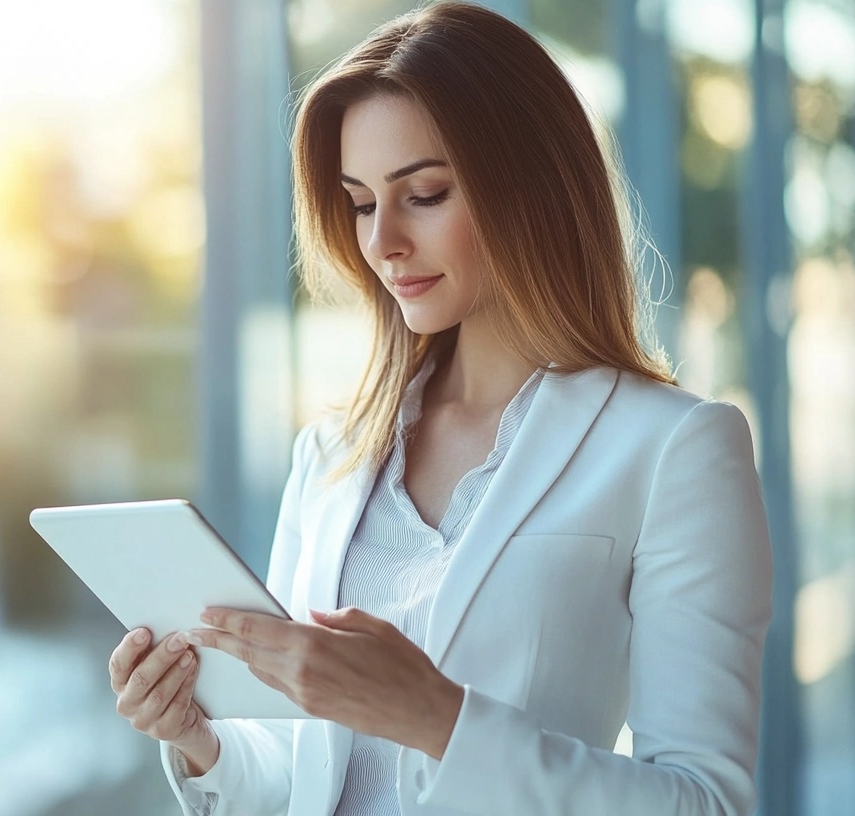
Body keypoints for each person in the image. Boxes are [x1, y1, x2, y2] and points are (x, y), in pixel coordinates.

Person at [106, 2, 772, 814]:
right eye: (359, 202)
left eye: (423, 193)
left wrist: (435, 717)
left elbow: (707, 802)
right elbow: (302, 777)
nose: (382, 240)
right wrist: (197, 738)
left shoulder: (675, 449)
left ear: (529, 188)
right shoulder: (332, 454)